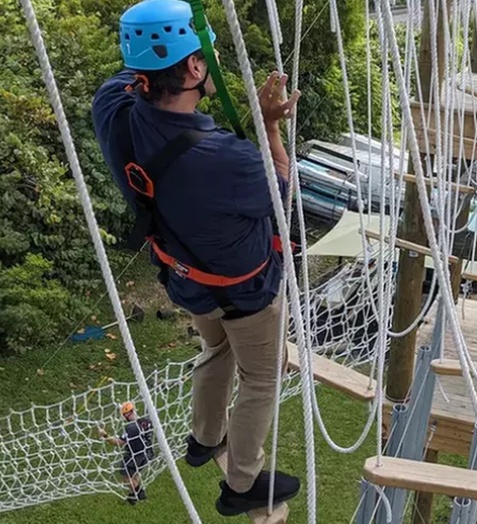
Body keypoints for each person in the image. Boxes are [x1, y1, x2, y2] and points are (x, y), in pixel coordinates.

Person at [92, 0, 300, 515]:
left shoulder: (112, 109)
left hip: (185, 281)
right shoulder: (226, 160)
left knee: (216, 350)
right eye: (203, 53)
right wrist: (269, 125)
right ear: (192, 67)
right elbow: (283, 194)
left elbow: (134, 67)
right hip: (246, 294)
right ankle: (243, 484)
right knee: (262, 377)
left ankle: (205, 438)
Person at [97, 402, 153, 505]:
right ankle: (132, 498)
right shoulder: (146, 421)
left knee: (126, 476)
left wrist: (105, 435)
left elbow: (118, 442)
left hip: (135, 454)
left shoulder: (131, 428)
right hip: (147, 452)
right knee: (135, 474)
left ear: (126, 415)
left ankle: (141, 495)